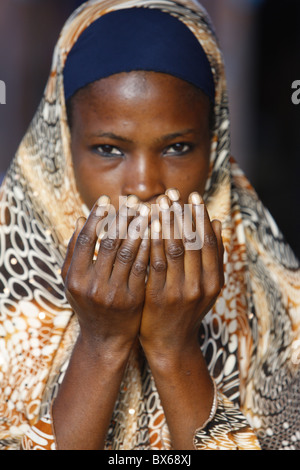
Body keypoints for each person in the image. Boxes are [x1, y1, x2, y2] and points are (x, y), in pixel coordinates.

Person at [0, 0, 299, 451]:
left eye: (177, 148)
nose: (143, 186)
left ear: (213, 150)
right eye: (109, 149)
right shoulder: (12, 294)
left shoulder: (274, 305)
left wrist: (173, 348)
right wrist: (101, 345)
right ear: (64, 146)